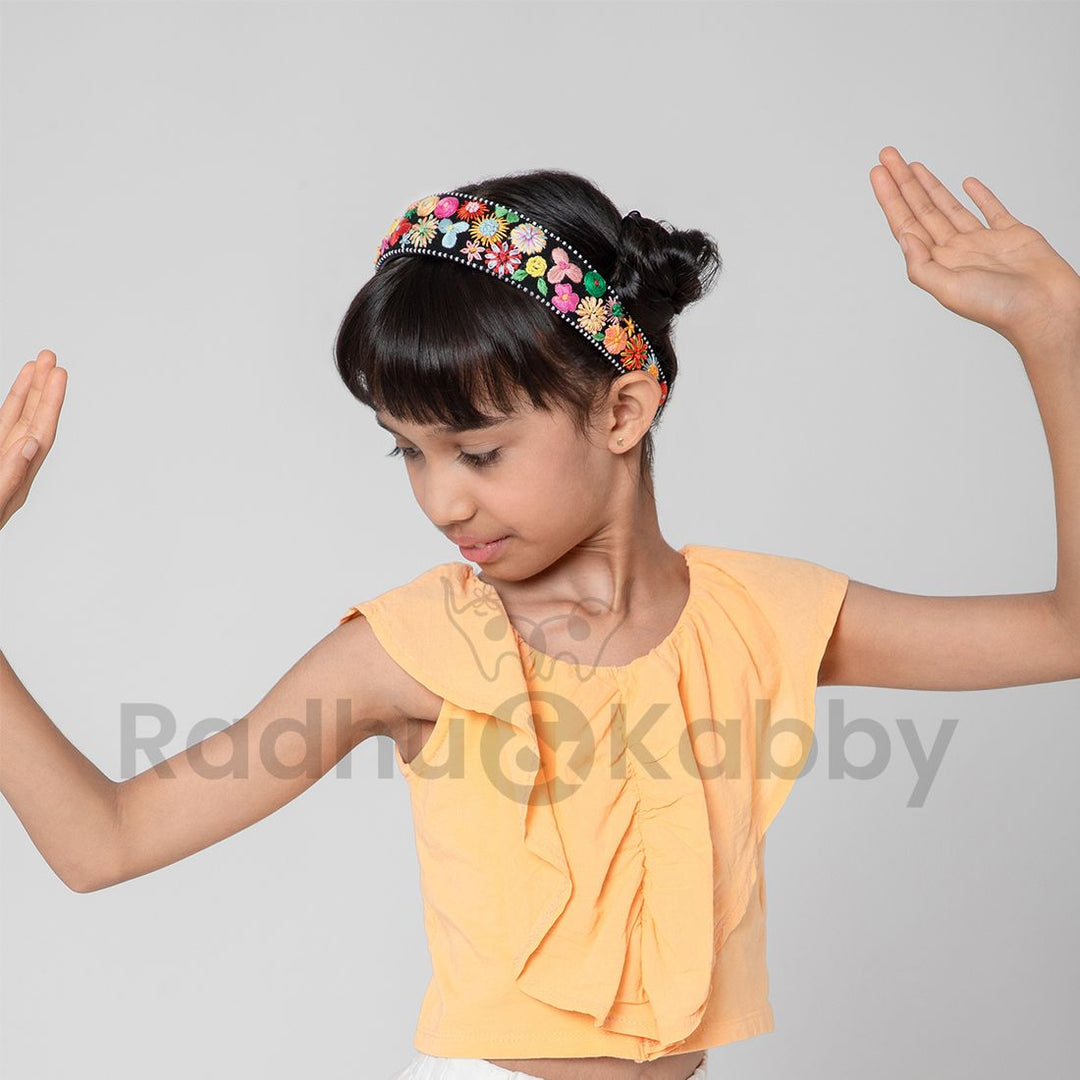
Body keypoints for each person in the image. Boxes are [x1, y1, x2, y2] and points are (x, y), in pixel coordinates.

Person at [3, 146, 1080, 1080]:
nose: (440, 501)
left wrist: (1053, 332)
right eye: (408, 453)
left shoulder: (765, 617)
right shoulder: (405, 653)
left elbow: (1066, 634)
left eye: (476, 451)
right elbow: (105, 840)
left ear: (623, 407)